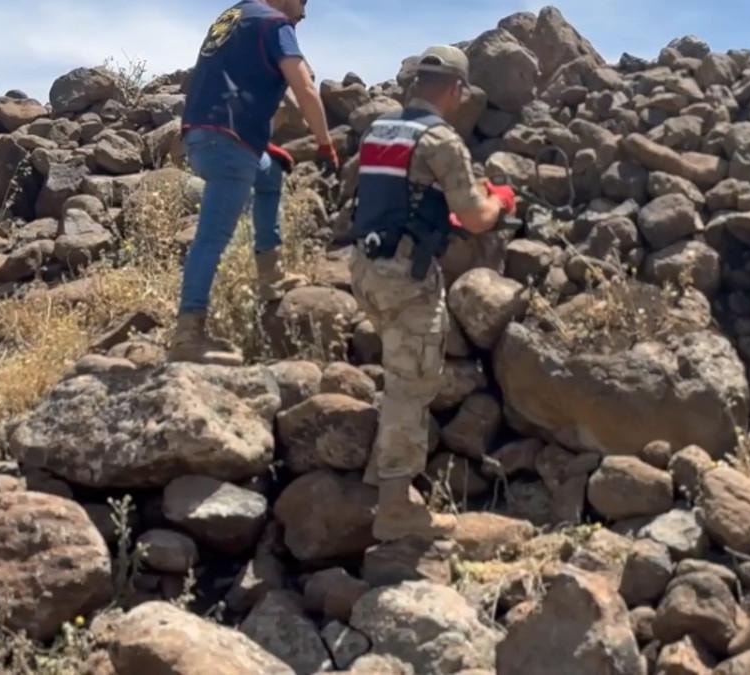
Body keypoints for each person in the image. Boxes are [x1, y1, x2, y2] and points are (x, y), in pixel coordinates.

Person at [349, 45, 516, 541]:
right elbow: (476, 217)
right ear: (457, 90)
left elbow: (396, 194)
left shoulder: (380, 130)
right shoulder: (441, 139)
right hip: (406, 280)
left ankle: (381, 476)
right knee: (412, 384)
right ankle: (395, 508)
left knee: (399, 370)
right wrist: (500, 201)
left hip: (366, 269)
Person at [170, 0, 339, 365]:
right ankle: (188, 334)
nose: (304, 13)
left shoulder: (233, 17)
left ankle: (270, 275)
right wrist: (326, 144)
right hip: (228, 144)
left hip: (202, 136)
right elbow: (304, 89)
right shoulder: (275, 24)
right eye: (303, 3)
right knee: (211, 238)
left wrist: (259, 141)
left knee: (269, 170)